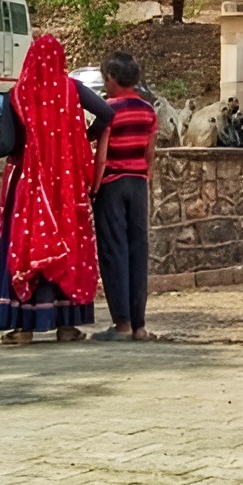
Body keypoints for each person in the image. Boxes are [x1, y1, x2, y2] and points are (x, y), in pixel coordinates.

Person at [0, 34, 114, 345]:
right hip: (66, 187)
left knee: (26, 247)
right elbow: (107, 114)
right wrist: (79, 139)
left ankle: (23, 328)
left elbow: (5, 143)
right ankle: (67, 326)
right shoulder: (73, 90)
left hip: (27, 187)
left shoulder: (16, 95)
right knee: (66, 247)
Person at [91, 52, 158, 342]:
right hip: (138, 184)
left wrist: (94, 188)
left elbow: (102, 156)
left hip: (112, 185)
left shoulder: (108, 110)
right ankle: (140, 325)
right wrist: (146, 180)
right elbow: (150, 153)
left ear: (110, 79)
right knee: (137, 249)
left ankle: (122, 324)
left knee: (113, 251)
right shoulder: (148, 111)